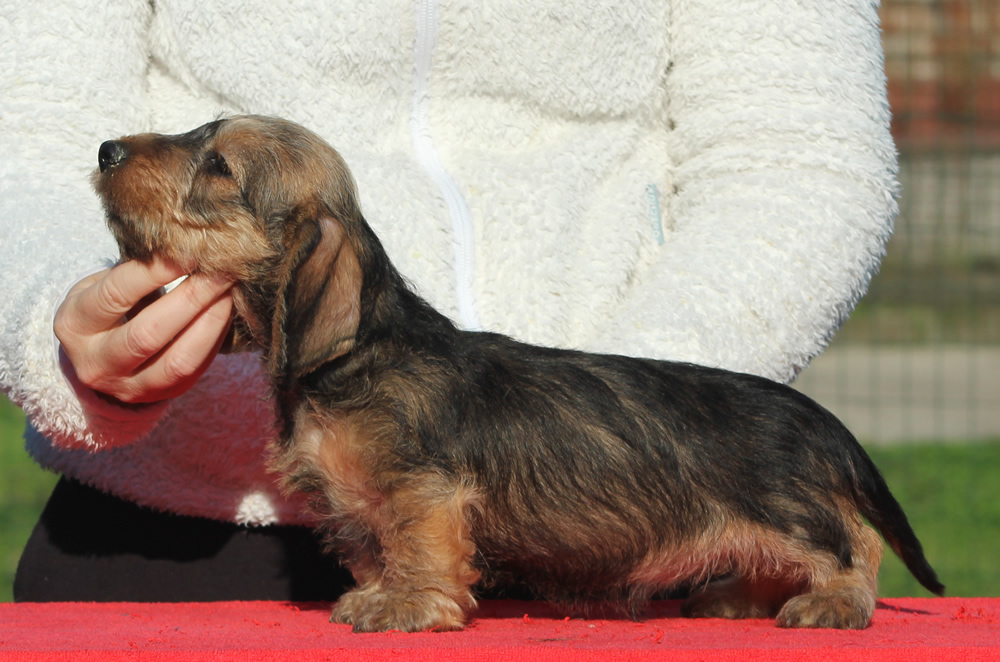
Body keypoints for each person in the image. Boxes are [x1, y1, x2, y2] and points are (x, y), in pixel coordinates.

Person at [0, 0, 899, 602]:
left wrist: (635, 430)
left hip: (643, 515)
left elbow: (795, 161)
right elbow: (24, 144)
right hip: (174, 539)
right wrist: (58, 321)